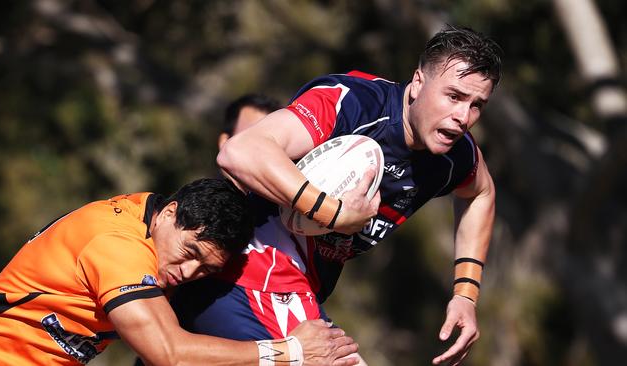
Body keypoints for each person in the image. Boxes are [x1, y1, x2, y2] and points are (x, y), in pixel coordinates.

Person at [176, 24, 501, 365]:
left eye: (477, 105)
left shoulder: (456, 155)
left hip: (298, 293)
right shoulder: (353, 103)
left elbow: (481, 194)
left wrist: (465, 295)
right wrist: (333, 213)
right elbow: (240, 152)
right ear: (418, 82)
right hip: (248, 275)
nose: (463, 117)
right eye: (454, 96)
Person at [0, 178, 359, 365]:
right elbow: (170, 353)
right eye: (189, 251)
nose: (187, 271)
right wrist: (291, 351)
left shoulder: (152, 220)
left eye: (205, 268)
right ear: (171, 213)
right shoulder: (118, 245)